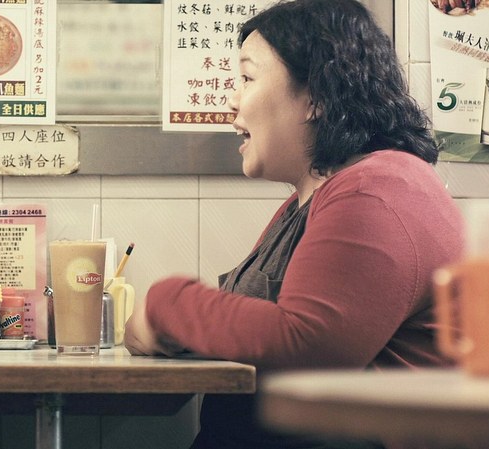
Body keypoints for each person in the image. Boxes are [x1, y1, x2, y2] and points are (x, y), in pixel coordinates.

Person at [124, 1, 464, 448]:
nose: (231, 99)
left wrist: (167, 303)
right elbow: (260, 330)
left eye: (247, 78)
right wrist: (173, 324)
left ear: (315, 97)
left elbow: (309, 346)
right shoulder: (319, 196)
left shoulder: (375, 191)